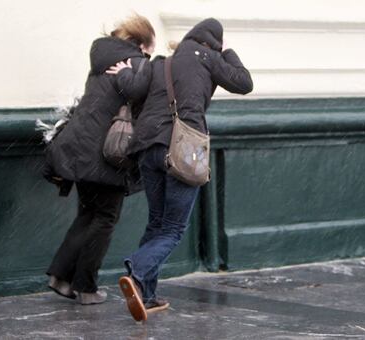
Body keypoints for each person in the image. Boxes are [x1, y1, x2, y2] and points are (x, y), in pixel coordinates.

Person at [112, 17, 253, 321]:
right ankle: (136, 271)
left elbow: (136, 97)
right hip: (182, 145)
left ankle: (146, 296)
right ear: (213, 42)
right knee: (173, 229)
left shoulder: (162, 62)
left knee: (157, 222)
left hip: (147, 147)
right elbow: (244, 82)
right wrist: (228, 51)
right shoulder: (208, 57)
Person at [44, 14, 155, 305]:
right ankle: (86, 287)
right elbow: (139, 93)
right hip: (108, 154)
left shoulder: (100, 60)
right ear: (141, 45)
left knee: (88, 214)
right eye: (149, 52)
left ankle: (61, 277)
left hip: (80, 150)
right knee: (105, 218)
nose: (149, 57)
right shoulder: (136, 63)